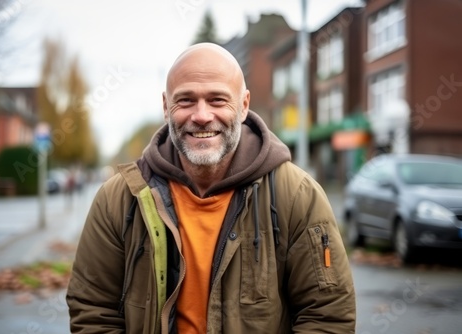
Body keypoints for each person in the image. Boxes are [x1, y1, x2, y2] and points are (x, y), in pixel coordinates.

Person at [66, 42, 356, 333]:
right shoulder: (118, 199)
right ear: (166, 106)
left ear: (243, 105)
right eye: (186, 100)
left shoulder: (297, 196)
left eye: (217, 100)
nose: (202, 115)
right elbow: (93, 311)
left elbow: (327, 316)